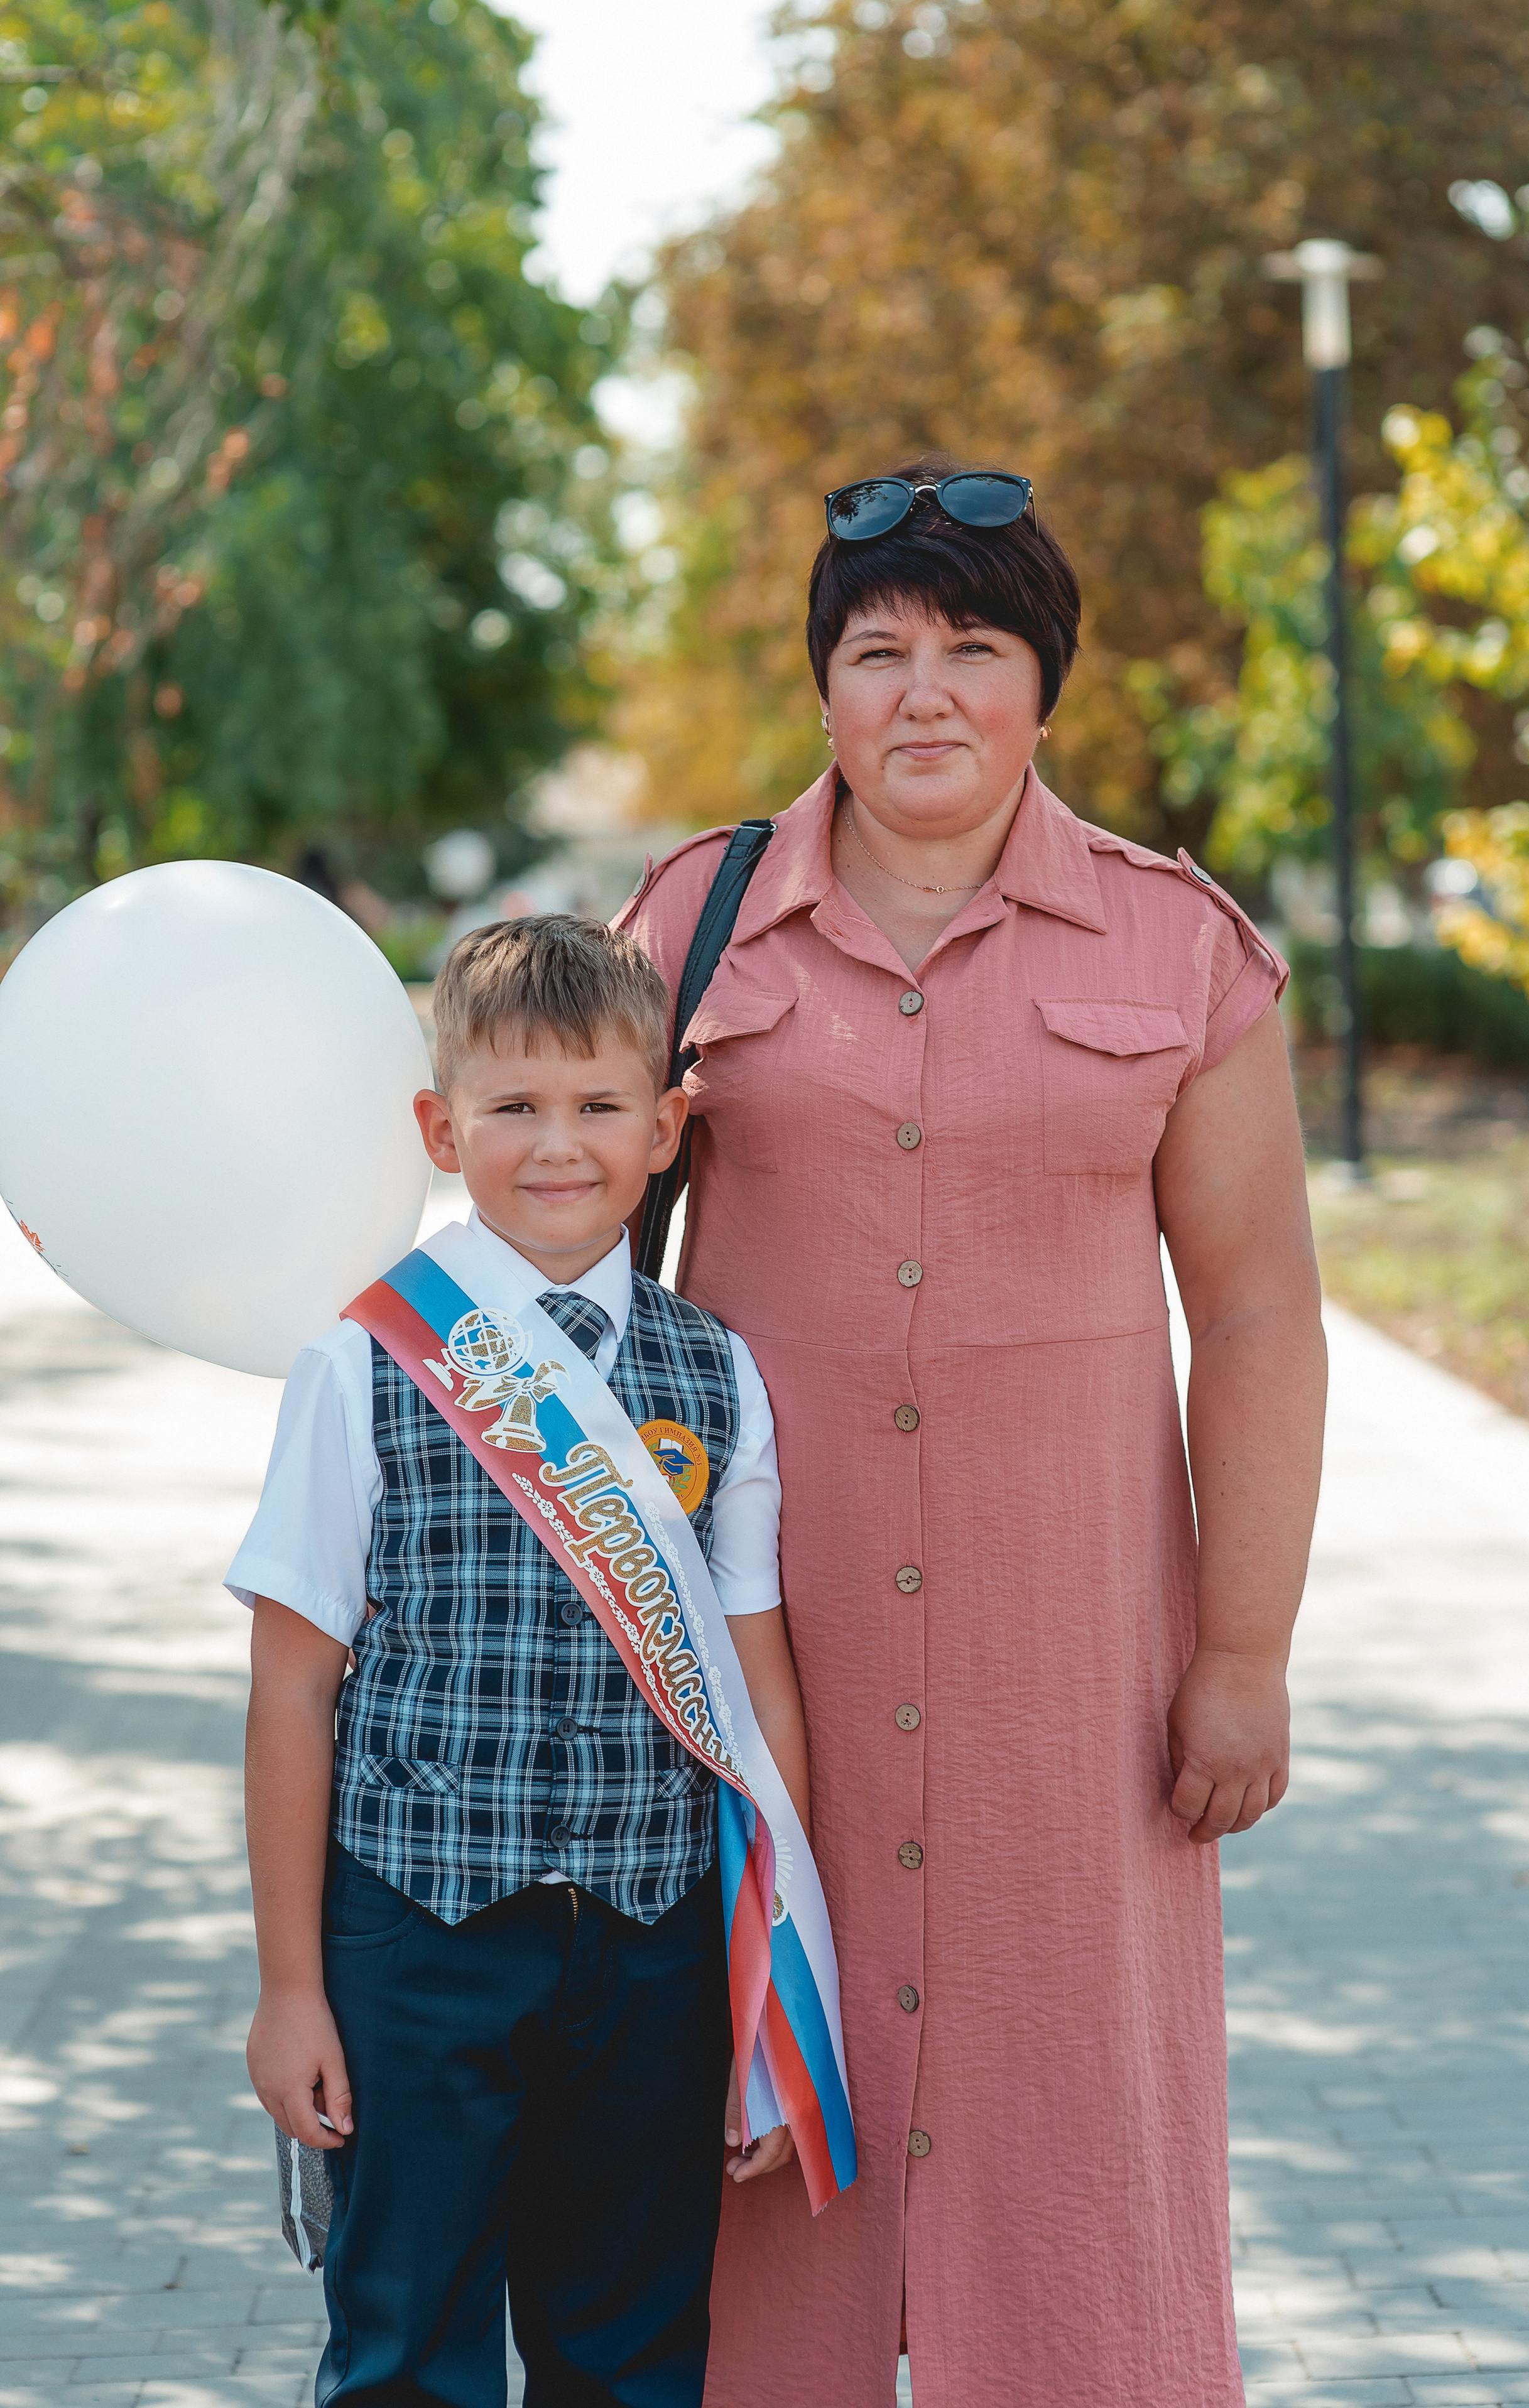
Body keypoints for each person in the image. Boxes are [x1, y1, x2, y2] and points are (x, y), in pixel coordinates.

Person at [618, 456, 1327, 2408]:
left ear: (1044, 684)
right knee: (753, 2179)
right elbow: (555, 1228)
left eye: (973, 647)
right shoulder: (690, 922)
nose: (923, 692)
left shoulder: (1179, 948)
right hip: (756, 1679)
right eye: (877, 651)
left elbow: (1259, 1303)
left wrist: (1246, 1654)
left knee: (1085, 2197)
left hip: (1072, 1695)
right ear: (824, 687)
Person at [228, 916, 813, 2406]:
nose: (559, 1146)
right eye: (514, 1108)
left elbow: (755, 1699)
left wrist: (772, 1991)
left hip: (655, 1942)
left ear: (668, 1127)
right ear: (441, 1128)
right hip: (413, 1936)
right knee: (405, 2347)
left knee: (627, 2350)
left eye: (601, 1105)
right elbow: (292, 1688)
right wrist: (291, 1987)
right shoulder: (363, 1357)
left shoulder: (716, 1368)